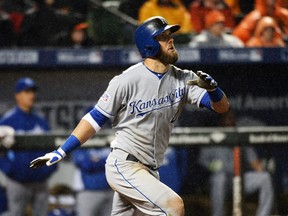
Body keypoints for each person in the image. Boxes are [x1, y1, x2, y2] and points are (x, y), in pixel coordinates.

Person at [30, 16, 229, 215]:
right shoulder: (126, 80)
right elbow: (95, 118)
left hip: (149, 170)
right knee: (173, 207)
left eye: (170, 35)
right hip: (124, 165)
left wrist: (214, 90)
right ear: (149, 45)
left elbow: (221, 108)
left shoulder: (184, 78)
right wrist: (62, 150)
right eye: (163, 36)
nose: (171, 40)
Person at [199, 111, 274, 216]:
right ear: (221, 121)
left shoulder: (239, 136)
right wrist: (212, 166)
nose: (230, 121)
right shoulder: (214, 136)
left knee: (265, 177)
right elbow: (201, 161)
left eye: (232, 118)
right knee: (220, 178)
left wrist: (263, 167)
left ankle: (263, 214)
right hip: (220, 182)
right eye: (227, 118)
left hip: (239, 179)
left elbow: (254, 162)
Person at [0, 77, 57, 216]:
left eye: (32, 91)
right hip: (18, 183)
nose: (31, 95)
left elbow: (52, 147)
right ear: (17, 95)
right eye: (26, 92)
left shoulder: (40, 121)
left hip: (40, 182)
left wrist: (48, 171)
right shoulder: (8, 120)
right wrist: (11, 171)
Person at [72, 147, 114, 216]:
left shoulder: (112, 141)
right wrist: (107, 161)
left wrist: (96, 160)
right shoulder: (83, 142)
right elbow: (86, 165)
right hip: (88, 192)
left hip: (111, 191)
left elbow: (118, 162)